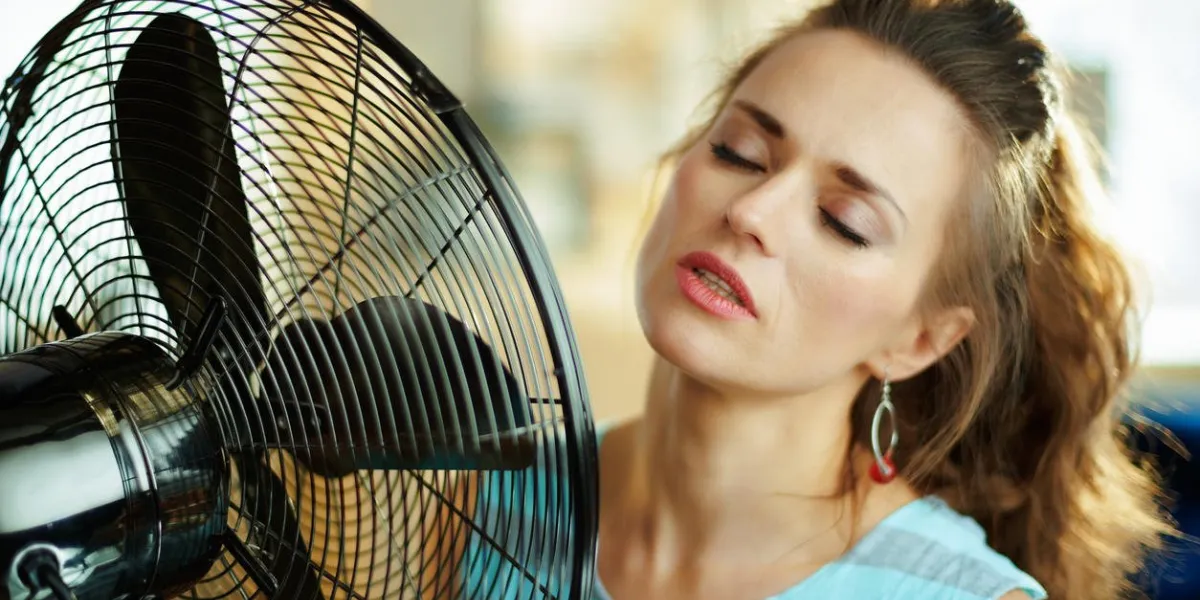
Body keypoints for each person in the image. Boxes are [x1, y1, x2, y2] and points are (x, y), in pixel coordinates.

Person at [445, 0, 1175, 598]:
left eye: (843, 223)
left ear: (918, 341)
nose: (751, 213)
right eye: (739, 153)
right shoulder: (480, 505)